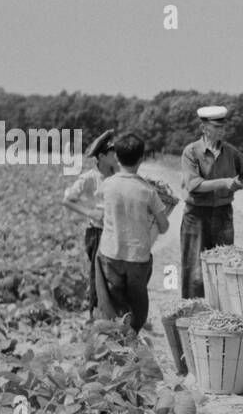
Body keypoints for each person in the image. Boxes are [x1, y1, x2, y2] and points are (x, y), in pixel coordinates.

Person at [96, 132, 170, 335]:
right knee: (137, 303)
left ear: (117, 158)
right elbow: (164, 227)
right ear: (141, 159)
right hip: (138, 257)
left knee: (112, 301)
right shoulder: (148, 191)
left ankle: (113, 337)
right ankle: (132, 336)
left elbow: (102, 214)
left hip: (110, 254)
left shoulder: (107, 185)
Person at [180, 105, 243, 297]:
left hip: (222, 213)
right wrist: (225, 182)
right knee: (194, 268)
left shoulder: (230, 151)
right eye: (217, 127)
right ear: (204, 128)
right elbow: (193, 185)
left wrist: (241, 182)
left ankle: (220, 310)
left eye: (223, 126)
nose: (222, 130)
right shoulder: (191, 152)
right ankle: (193, 310)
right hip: (196, 215)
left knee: (224, 263)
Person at [63, 128, 118, 317]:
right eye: (113, 152)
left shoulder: (118, 174)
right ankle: (95, 316)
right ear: (102, 156)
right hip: (98, 233)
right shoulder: (89, 178)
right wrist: (89, 212)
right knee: (98, 277)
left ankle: (116, 315)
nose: (116, 155)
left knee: (117, 277)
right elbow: (68, 200)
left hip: (118, 233)